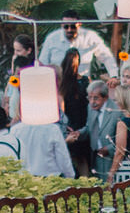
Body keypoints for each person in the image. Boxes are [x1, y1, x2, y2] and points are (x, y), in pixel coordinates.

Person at [38, 15, 114, 79]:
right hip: (58, 82)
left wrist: (114, 76)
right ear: (62, 25)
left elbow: (106, 57)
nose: (69, 30)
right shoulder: (52, 38)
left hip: (82, 83)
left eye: (73, 26)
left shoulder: (90, 36)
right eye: (66, 26)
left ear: (79, 24)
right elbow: (43, 63)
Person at [58, 50, 94, 178]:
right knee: (77, 158)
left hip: (80, 122)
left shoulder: (84, 80)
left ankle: (83, 183)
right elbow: (61, 106)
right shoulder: (64, 83)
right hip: (73, 123)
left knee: (80, 158)